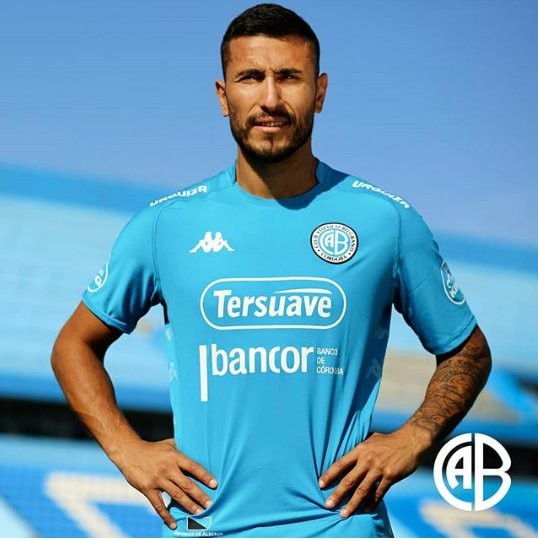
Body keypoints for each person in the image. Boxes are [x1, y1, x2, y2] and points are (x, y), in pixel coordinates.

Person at [51, 3, 492, 538]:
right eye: (250, 77)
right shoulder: (165, 225)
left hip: (339, 527)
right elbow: (74, 345)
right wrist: (128, 450)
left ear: (320, 92)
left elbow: (467, 350)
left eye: (289, 77)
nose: (270, 99)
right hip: (207, 528)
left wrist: (415, 437)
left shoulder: (386, 221)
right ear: (223, 96)